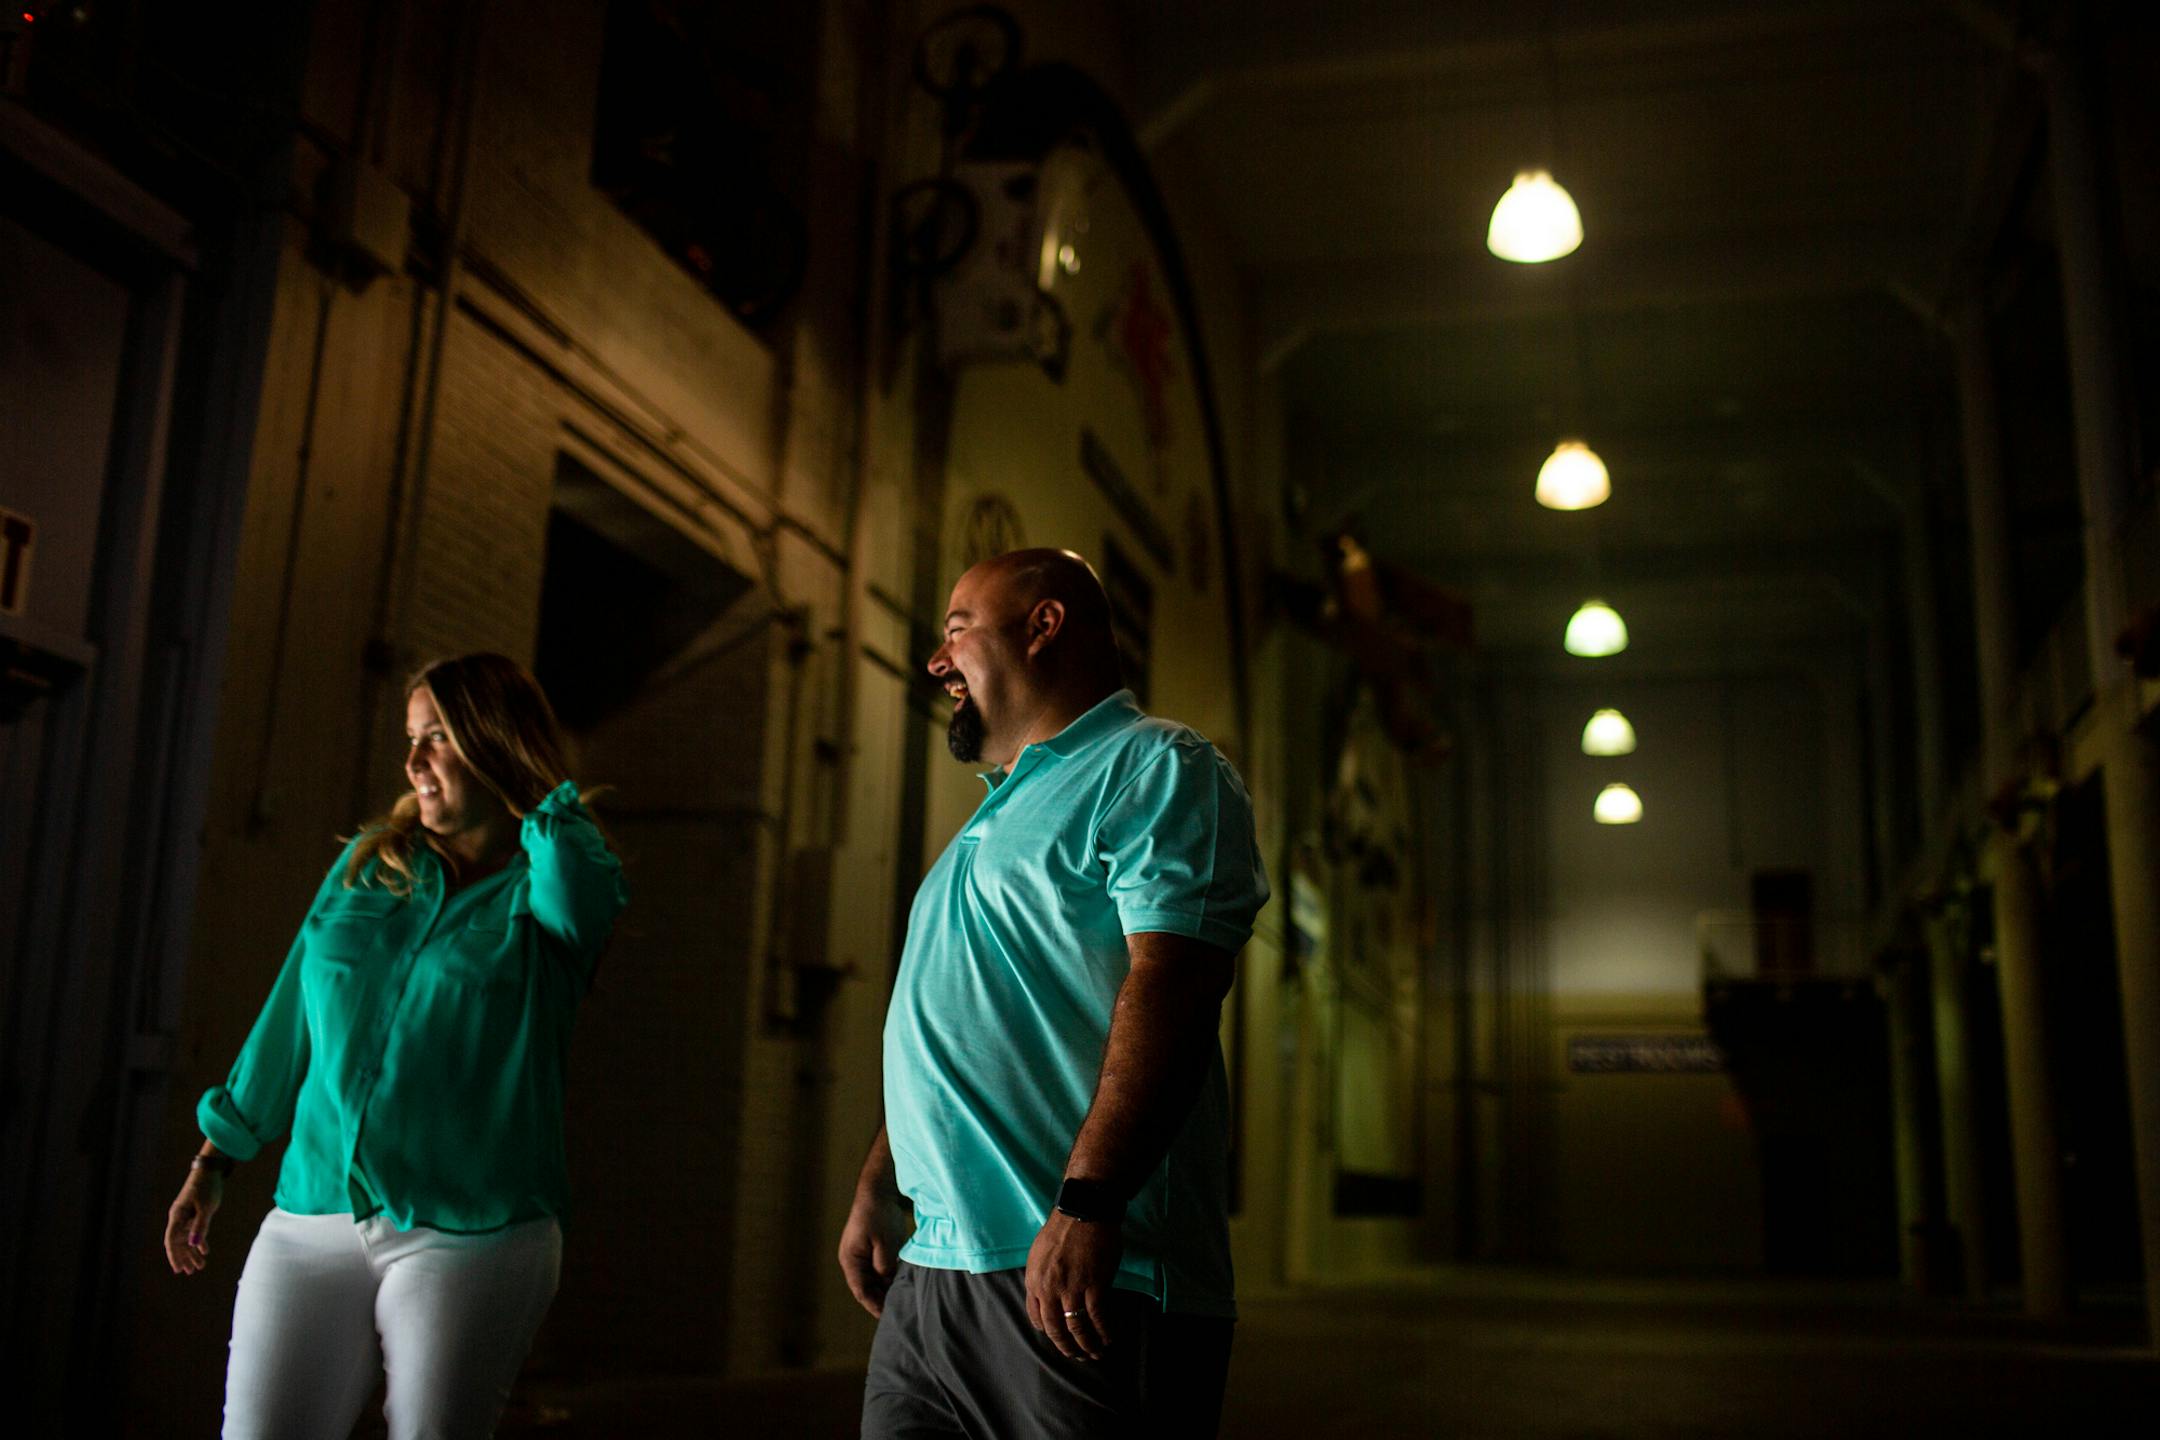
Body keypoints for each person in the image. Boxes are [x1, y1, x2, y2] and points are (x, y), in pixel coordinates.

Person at [839, 548, 1269, 1439]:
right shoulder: (996, 813)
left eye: (958, 630)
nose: (936, 659)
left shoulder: (1155, 766)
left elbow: (1175, 989)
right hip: (934, 1275)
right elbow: (957, 1023)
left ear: (1044, 627)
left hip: (1073, 1276)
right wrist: (881, 1183)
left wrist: (1089, 1204)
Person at [163, 653, 627, 1440]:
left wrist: (533, 788)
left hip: (473, 1230)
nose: (412, 760)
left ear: (495, 744)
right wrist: (215, 1157)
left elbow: (583, 888)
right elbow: (287, 1021)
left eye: (438, 737)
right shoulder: (366, 868)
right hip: (313, 1214)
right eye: (411, 737)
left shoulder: (549, 887)